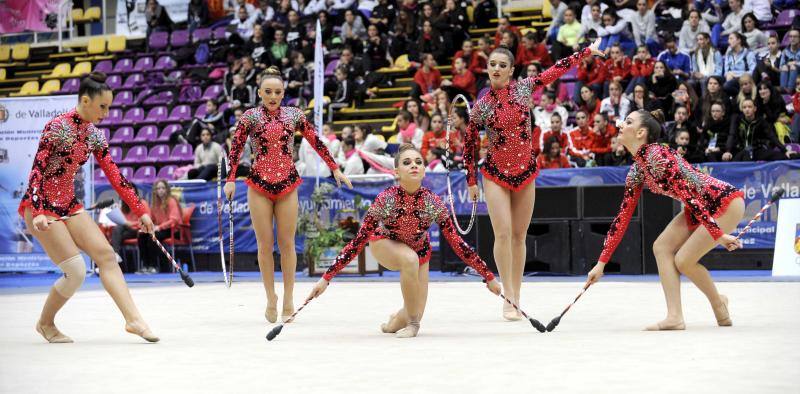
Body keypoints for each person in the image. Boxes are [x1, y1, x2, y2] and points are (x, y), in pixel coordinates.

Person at [464, 38, 603, 320]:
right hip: (494, 173)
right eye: (492, 64)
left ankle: (517, 292)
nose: (496, 69)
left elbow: (553, 70)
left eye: (502, 65)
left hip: (526, 171)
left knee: (518, 235)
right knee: (502, 233)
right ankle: (507, 296)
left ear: (512, 70)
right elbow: (468, 142)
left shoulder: (523, 88)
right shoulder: (482, 105)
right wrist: (470, 181)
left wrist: (584, 53)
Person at [306, 144, 501, 338]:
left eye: (418, 162)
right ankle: (413, 325)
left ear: (425, 171)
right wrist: (326, 279)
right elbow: (358, 241)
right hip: (385, 244)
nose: (414, 166)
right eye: (407, 163)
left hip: (419, 251)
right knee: (409, 262)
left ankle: (394, 323)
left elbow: (457, 243)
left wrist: (488, 276)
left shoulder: (433, 202)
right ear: (397, 172)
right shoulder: (386, 199)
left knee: (412, 309)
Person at [19, 72, 158, 343]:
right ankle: (45, 324)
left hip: (69, 205)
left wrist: (141, 210)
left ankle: (134, 320)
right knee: (77, 271)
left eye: (109, 107)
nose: (106, 113)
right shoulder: (56, 127)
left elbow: (116, 176)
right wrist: (36, 212)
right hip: (42, 206)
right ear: (85, 100)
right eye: (102, 106)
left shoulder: (94, 136)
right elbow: (36, 170)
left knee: (106, 255)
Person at [587, 109, 746, 331]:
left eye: (628, 121)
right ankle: (675, 316)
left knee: (683, 260)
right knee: (661, 247)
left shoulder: (658, 156)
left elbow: (688, 193)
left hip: (723, 202)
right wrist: (601, 263)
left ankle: (718, 302)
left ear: (641, 132)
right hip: (696, 208)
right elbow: (622, 217)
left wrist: (718, 234)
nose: (621, 124)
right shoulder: (637, 169)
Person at [224, 67, 352, 323]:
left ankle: (289, 297)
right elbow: (236, 147)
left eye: (278, 92)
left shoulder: (294, 115)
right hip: (258, 184)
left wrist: (334, 167)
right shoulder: (250, 117)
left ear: (284, 94)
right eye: (268, 91)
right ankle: (270, 296)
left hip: (287, 184)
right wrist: (230, 179)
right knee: (264, 245)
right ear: (259, 93)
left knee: (287, 243)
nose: (273, 96)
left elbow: (315, 139)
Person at [140, 179, 182, 274]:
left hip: (172, 230)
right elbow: (151, 218)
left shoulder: (171, 201)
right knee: (142, 236)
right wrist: (147, 226)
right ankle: (146, 266)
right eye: (158, 188)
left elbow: (173, 220)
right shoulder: (155, 203)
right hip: (159, 229)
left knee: (153, 237)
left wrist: (159, 227)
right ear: (155, 190)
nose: (161, 190)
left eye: (163, 188)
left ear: (167, 189)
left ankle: (154, 266)